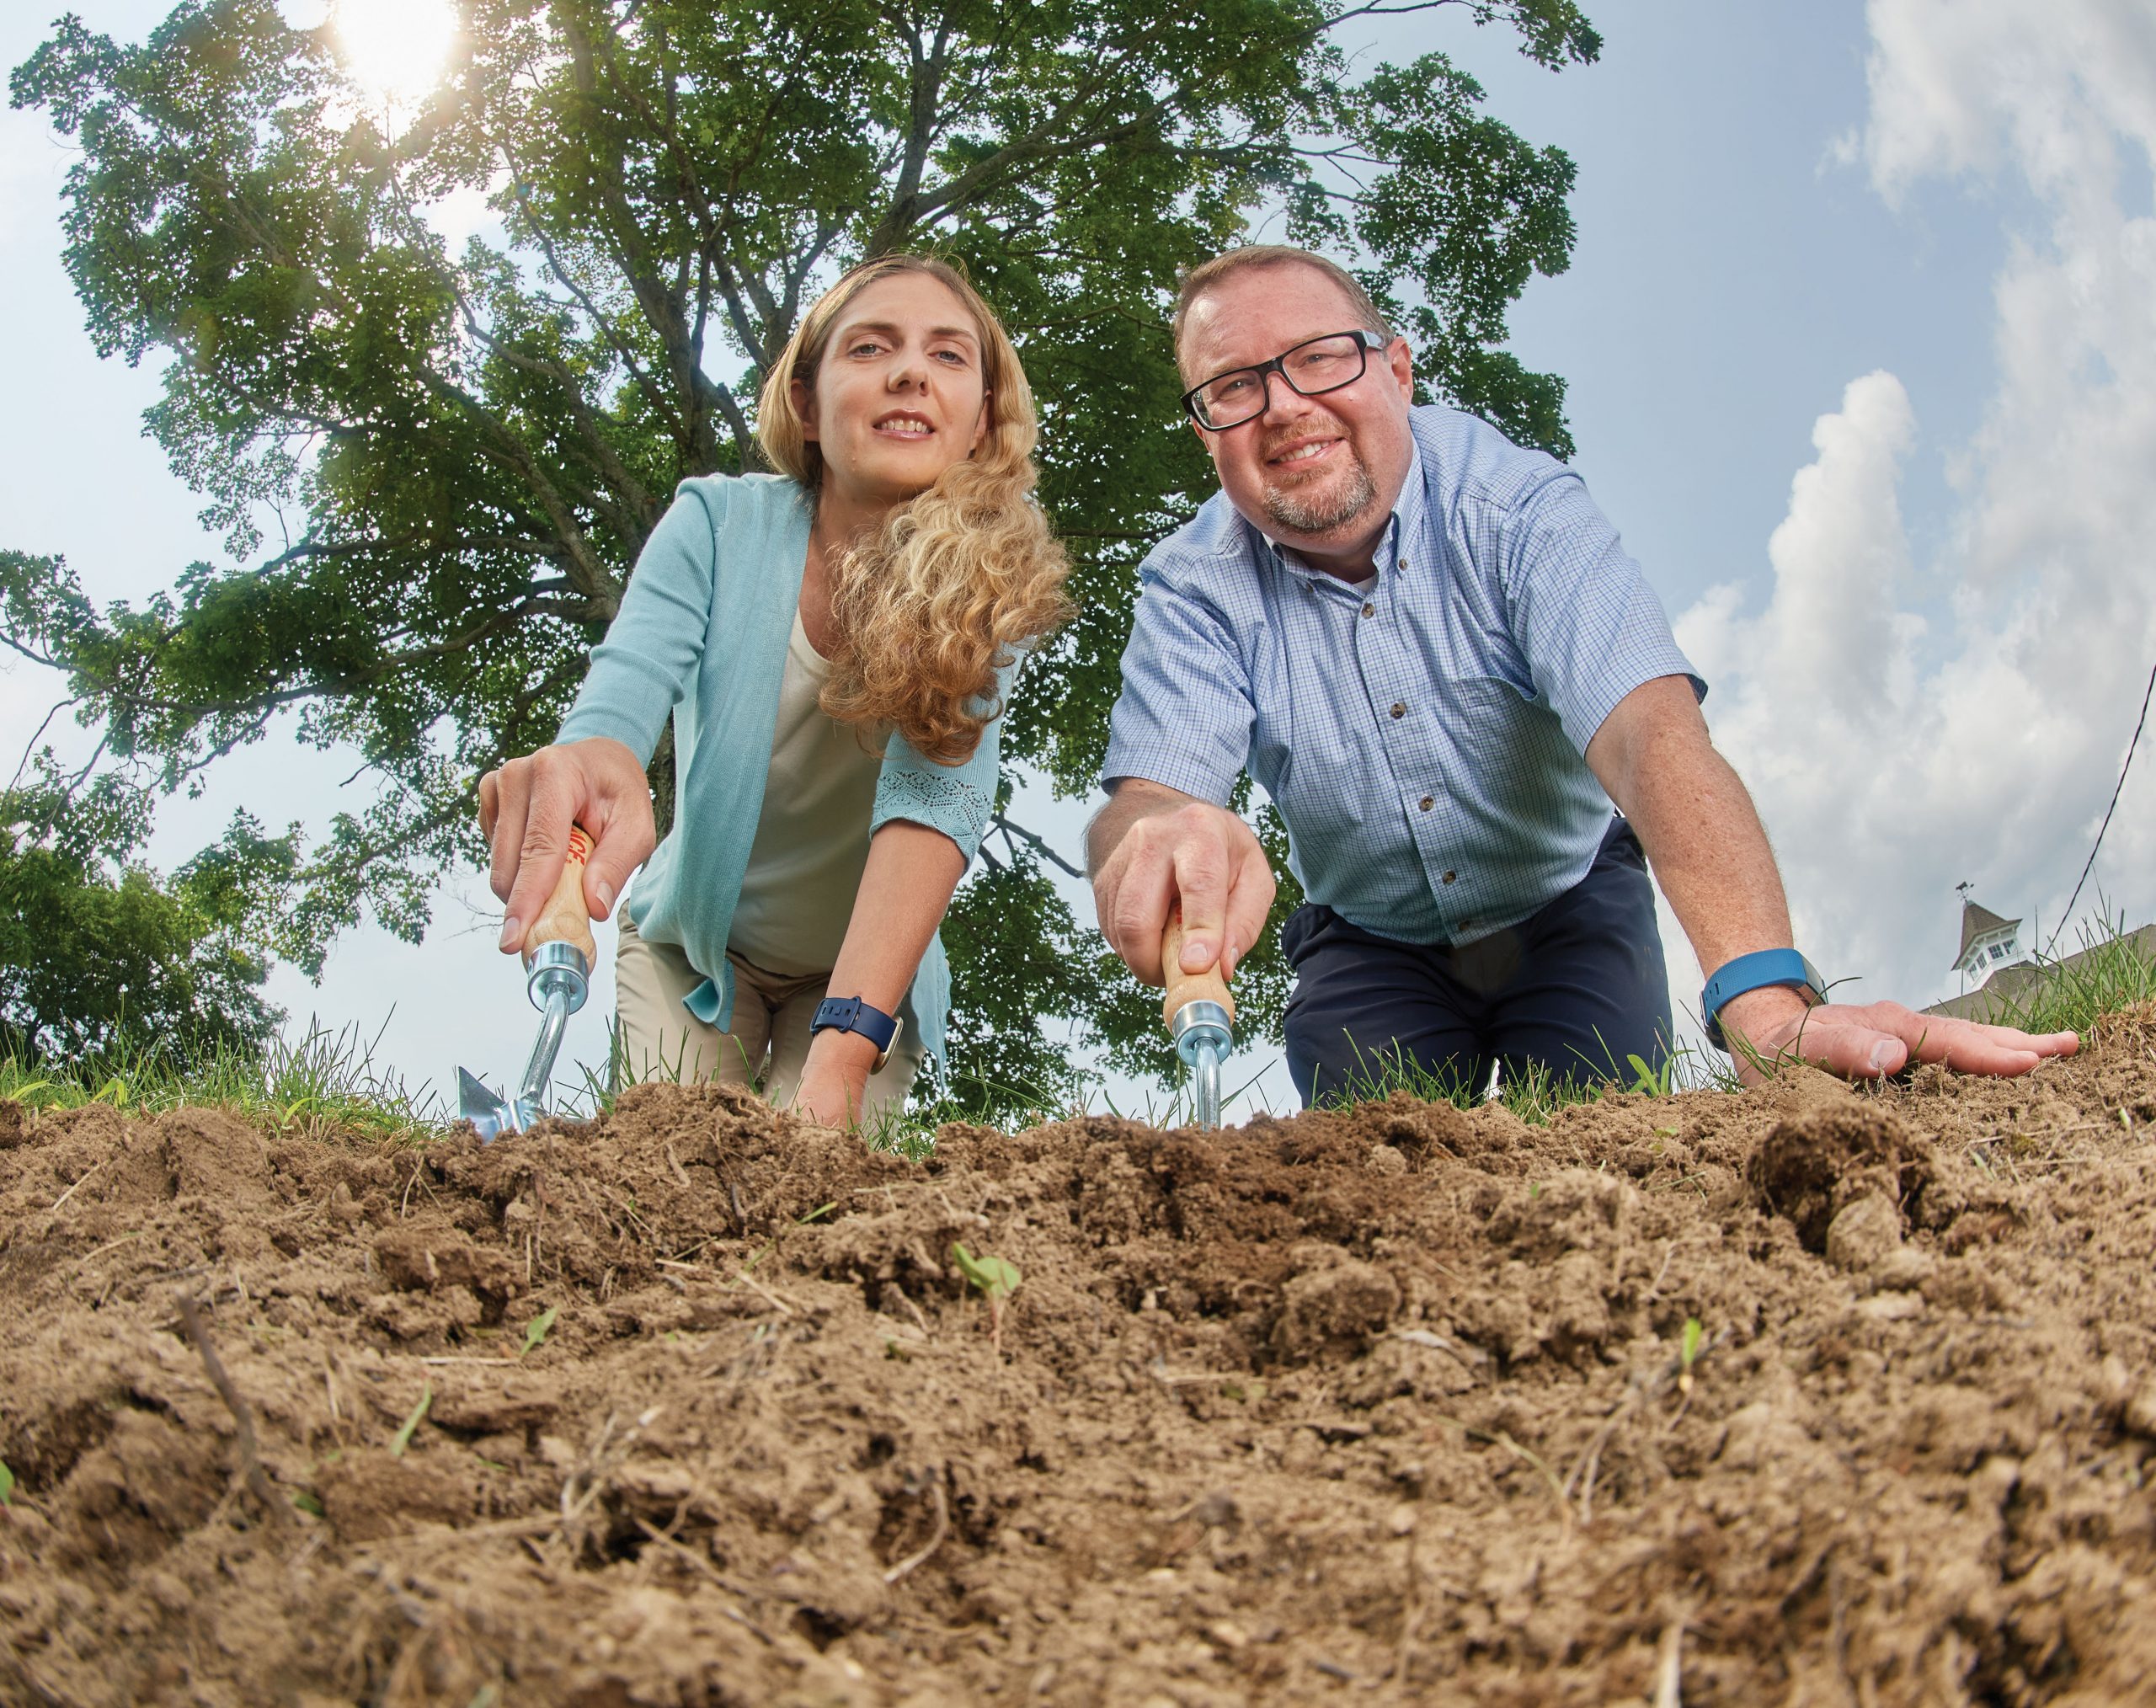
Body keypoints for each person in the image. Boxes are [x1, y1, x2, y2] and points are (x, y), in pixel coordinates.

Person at [1087, 244, 2077, 1103]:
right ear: (1206, 427)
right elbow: (1146, 802)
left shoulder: (1519, 510)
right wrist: (1158, 838)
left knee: (1611, 1139)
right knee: (1364, 1170)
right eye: (1234, 387)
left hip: (1569, 898)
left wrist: (1764, 996)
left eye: (1318, 359)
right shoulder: (1191, 589)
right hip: (1369, 937)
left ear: (1396, 368)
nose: (1284, 407)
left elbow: (1650, 739)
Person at [480, 255, 1067, 1125]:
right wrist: (594, 757)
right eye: (871, 348)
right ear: (806, 404)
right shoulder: (716, 523)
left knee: (817, 1188)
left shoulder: (989, 581)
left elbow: (933, 803)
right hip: (692, 950)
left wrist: (842, 1053)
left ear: (981, 422)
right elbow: (628, 684)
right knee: (670, 1158)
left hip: (861, 974)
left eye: (948, 357)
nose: (909, 371)